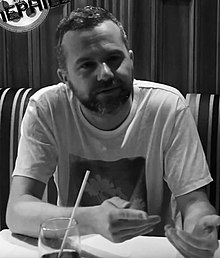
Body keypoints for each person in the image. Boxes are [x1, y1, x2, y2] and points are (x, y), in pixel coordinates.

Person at [6, 5, 220, 258]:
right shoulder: (47, 108)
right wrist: (92, 219)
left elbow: (194, 202)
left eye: (114, 59)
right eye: (87, 65)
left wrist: (199, 230)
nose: (106, 74)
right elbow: (17, 211)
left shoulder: (167, 106)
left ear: (131, 58)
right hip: (77, 248)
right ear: (65, 77)